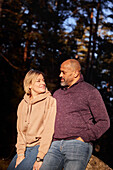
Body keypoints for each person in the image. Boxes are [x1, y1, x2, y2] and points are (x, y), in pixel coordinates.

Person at [40, 59, 110, 170]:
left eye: (64, 72)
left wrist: (84, 138)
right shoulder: (57, 94)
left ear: (75, 73)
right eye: (60, 72)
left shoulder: (90, 91)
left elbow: (104, 122)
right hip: (55, 144)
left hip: (77, 144)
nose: (60, 75)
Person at [7, 69, 56, 170]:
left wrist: (40, 157)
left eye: (43, 80)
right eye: (38, 81)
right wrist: (20, 154)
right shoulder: (22, 104)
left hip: (39, 146)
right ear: (29, 84)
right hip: (24, 147)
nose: (43, 83)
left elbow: (48, 130)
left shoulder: (50, 101)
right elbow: (20, 132)